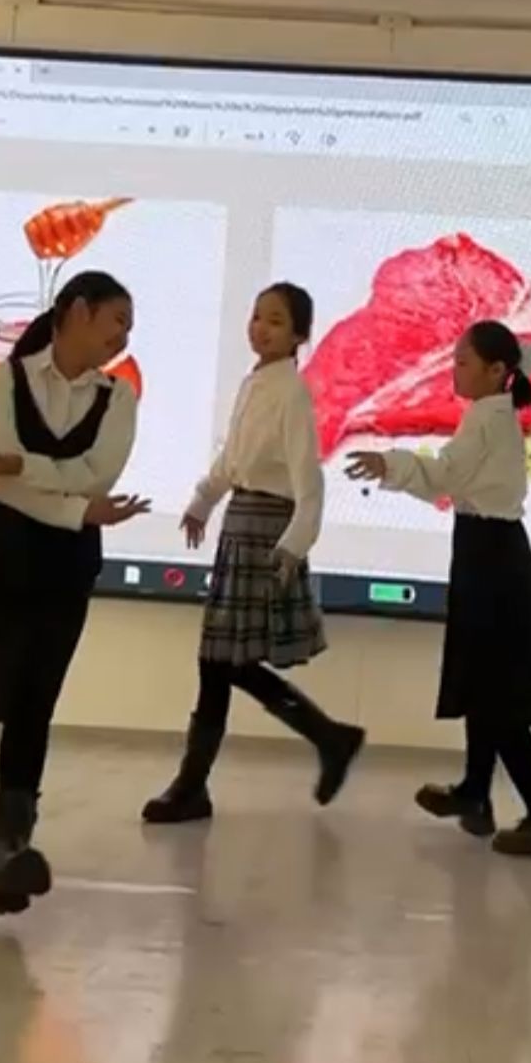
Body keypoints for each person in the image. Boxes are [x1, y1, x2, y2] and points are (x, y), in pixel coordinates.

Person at [0, 270, 151, 914]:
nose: (124, 338)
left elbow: (96, 474)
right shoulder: (6, 378)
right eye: (117, 321)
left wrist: (31, 471)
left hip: (64, 563)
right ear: (78, 311)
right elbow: (3, 481)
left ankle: (11, 842)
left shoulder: (119, 397)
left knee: (34, 696)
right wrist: (76, 508)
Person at [345, 320, 531, 857]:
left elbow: (445, 476)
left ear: (497, 371)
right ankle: (475, 793)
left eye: (464, 362)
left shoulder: (487, 419)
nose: (454, 370)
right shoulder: (493, 414)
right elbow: (450, 479)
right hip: (490, 559)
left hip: (493, 566)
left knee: (497, 700)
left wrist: (389, 463)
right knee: (484, 690)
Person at [142, 283, 365, 824]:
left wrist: (293, 545)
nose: (260, 328)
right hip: (240, 523)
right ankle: (326, 738)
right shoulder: (255, 383)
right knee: (223, 662)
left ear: (299, 335)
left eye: (276, 321)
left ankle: (195, 785)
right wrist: (203, 501)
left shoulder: (291, 392)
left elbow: (309, 481)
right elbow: (232, 459)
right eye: (257, 316)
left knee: (221, 661)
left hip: (266, 530)